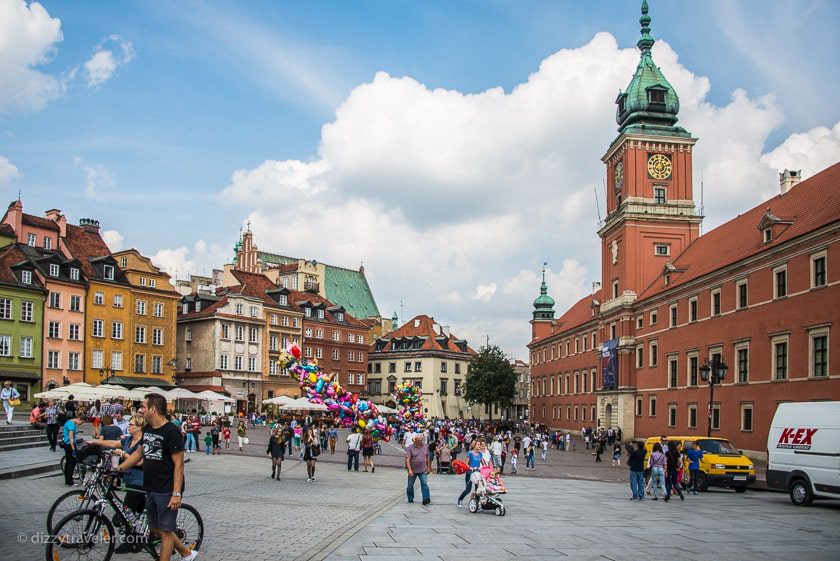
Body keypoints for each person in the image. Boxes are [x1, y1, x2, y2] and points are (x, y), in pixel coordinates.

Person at [118, 393, 196, 561]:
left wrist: (176, 493)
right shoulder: (148, 428)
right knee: (154, 528)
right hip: (151, 486)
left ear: (153, 409)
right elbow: (139, 453)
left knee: (166, 532)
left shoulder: (171, 431)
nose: (140, 410)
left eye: (143, 407)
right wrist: (119, 468)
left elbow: (179, 464)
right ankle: (185, 552)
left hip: (167, 488)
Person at [405, 434, 431, 505]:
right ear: (415, 440)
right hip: (413, 470)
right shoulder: (410, 447)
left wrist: (429, 467)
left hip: (423, 469)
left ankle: (426, 498)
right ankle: (410, 498)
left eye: (421, 440)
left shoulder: (426, 446)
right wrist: (409, 469)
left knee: (424, 484)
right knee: (410, 486)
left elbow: (427, 457)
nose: (421, 441)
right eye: (419, 440)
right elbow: (408, 459)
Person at [62, 410, 86, 486]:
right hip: (70, 445)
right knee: (71, 464)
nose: (80, 424)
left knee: (68, 463)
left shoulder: (69, 422)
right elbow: (71, 437)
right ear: (79, 419)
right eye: (81, 423)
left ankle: (68, 480)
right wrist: (73, 449)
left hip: (67, 444)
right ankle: (69, 482)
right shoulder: (72, 425)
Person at [457, 440, 484, 507]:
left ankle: (476, 504)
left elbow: (482, 462)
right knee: (468, 490)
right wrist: (471, 468)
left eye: (480, 445)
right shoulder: (470, 453)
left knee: (478, 490)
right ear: (474, 445)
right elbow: (466, 464)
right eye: (478, 444)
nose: (479, 446)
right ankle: (460, 500)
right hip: (470, 473)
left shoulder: (480, 453)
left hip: (477, 473)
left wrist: (484, 468)